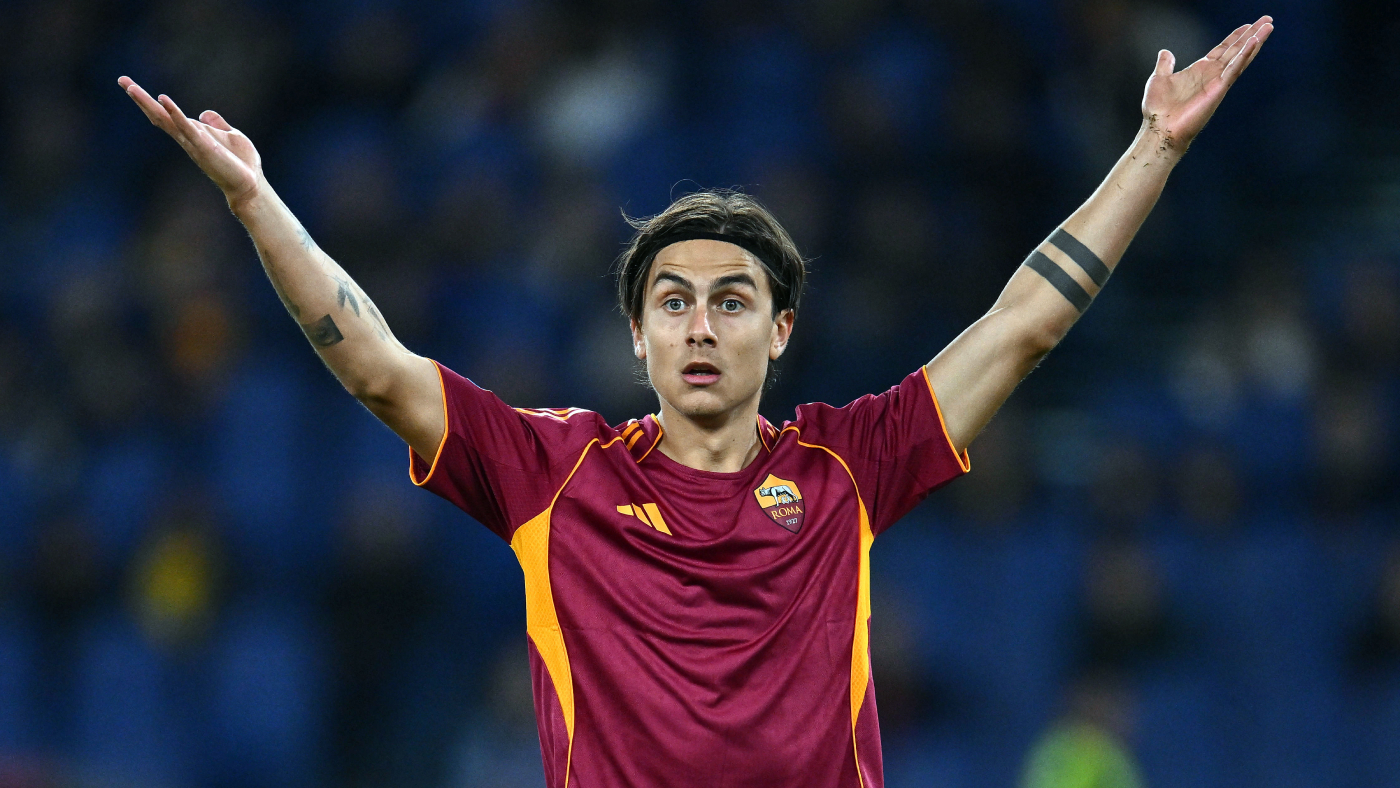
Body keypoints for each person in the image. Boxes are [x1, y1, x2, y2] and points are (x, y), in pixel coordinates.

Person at [117, 15, 1272, 787]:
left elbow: (1023, 325)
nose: (700, 325)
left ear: (780, 331)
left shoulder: (845, 465)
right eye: (671, 302)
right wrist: (256, 203)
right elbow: (375, 362)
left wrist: (1150, 152)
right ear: (637, 336)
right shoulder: (554, 473)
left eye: (731, 300)